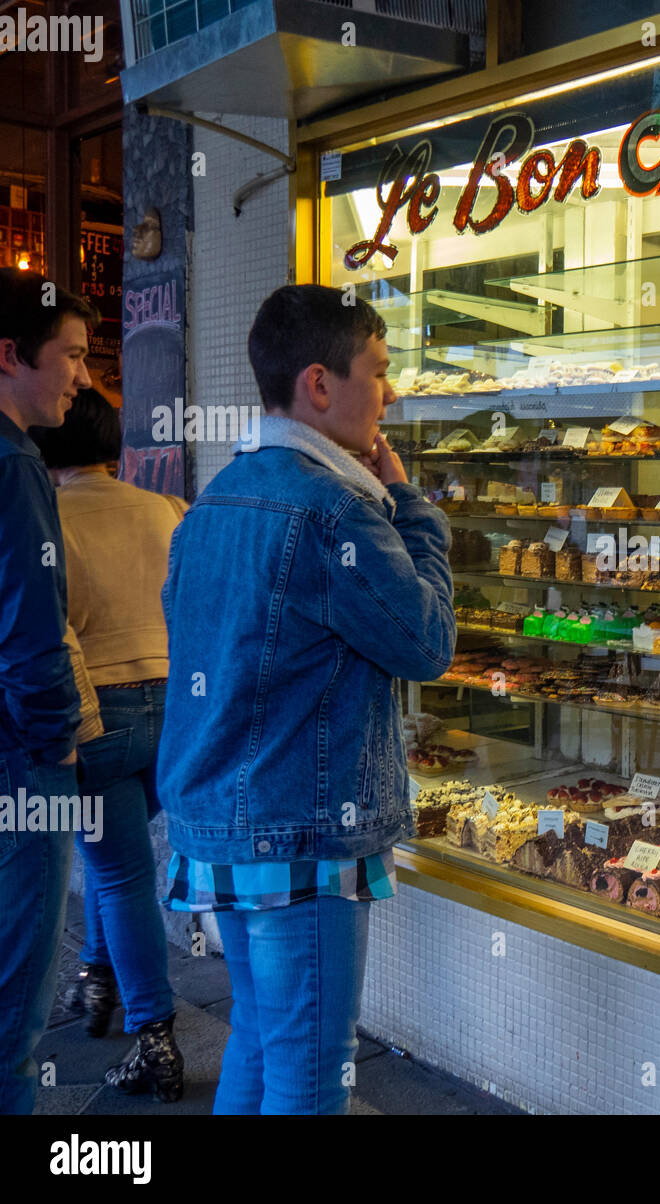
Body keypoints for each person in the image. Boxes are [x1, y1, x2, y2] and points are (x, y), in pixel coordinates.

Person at [158, 284, 455, 1114]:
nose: (389, 394)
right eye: (380, 371)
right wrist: (413, 511)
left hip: (217, 817)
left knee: (257, 1035)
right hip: (300, 828)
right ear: (320, 384)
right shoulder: (336, 510)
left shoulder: (213, 500)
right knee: (312, 1070)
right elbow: (427, 641)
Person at [31, 389, 188, 1100]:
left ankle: (154, 1035)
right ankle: (98, 978)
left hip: (103, 713)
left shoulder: (45, 518)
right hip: (179, 712)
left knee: (121, 874)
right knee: (114, 862)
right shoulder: (164, 509)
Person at [0, 268, 97, 1114]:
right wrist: (55, 737)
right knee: (14, 1014)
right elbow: (31, 628)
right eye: (69, 355)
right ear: (9, 355)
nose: (82, 375)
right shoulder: (15, 465)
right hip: (20, 761)